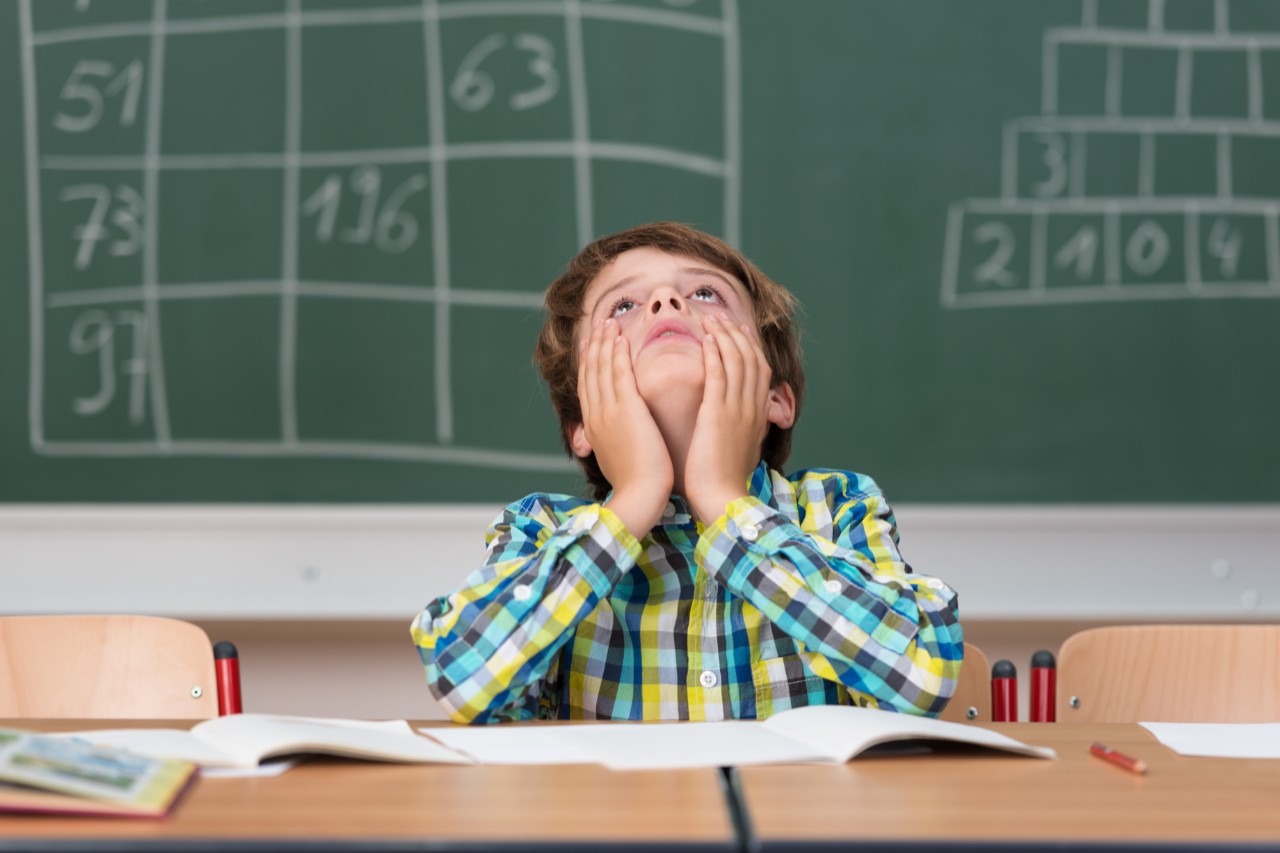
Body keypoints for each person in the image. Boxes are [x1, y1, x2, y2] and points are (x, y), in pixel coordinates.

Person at [411, 221, 962, 723]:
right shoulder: (539, 530)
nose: (666, 302)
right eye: (622, 305)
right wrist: (635, 498)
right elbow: (463, 679)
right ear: (581, 421)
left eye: (705, 293)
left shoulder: (839, 505)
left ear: (776, 397)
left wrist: (722, 499)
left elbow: (922, 674)